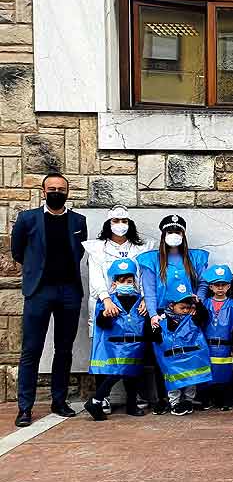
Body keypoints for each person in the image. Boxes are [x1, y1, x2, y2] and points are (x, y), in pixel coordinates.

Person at [10, 172, 87, 426]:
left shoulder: (78, 221)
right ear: (43, 192)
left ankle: (59, 400)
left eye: (61, 188)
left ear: (67, 192)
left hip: (69, 292)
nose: (56, 192)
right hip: (39, 291)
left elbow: (78, 254)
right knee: (31, 350)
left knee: (63, 350)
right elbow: (17, 251)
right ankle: (25, 408)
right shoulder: (27, 219)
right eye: (51, 188)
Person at [137, 214, 209, 415]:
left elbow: (203, 284)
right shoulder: (151, 260)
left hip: (188, 314)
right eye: (170, 231)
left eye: (177, 231)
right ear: (163, 234)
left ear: (183, 234)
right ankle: (163, 399)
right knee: (161, 357)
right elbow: (149, 290)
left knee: (189, 355)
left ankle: (188, 398)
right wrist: (152, 315)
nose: (174, 235)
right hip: (161, 315)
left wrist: (198, 300)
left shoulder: (195, 258)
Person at [84, 259, 149, 421]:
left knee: (132, 375)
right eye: (121, 281)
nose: (126, 284)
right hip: (115, 346)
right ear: (114, 283)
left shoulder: (141, 301)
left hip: (135, 344)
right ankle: (96, 400)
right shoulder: (107, 302)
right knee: (117, 372)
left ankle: (131, 405)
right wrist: (105, 314)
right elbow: (101, 324)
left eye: (129, 281)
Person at [148, 277, 211, 416]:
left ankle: (188, 400)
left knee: (191, 381)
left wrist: (198, 303)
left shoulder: (193, 318)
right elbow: (155, 340)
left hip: (191, 359)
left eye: (188, 308)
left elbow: (205, 316)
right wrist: (156, 330)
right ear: (172, 305)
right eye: (182, 307)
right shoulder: (161, 321)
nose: (185, 310)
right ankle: (174, 402)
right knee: (173, 383)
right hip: (171, 361)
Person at [82, 205, 146, 338]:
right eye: (116, 221)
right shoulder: (98, 248)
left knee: (135, 343)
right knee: (106, 344)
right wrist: (106, 300)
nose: (120, 224)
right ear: (108, 224)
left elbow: (145, 276)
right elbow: (96, 277)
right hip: (106, 304)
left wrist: (146, 298)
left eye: (124, 221)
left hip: (135, 305)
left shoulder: (140, 249)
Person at [199, 265, 233, 411]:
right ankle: (206, 400)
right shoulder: (203, 304)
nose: (220, 288)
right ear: (210, 287)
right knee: (207, 373)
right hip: (207, 345)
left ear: (229, 286)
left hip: (225, 346)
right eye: (216, 285)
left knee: (225, 373)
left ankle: (224, 401)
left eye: (223, 285)